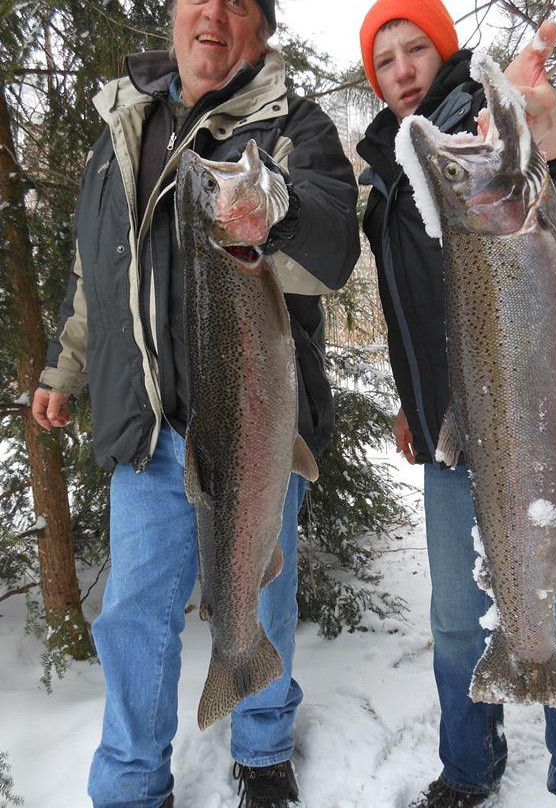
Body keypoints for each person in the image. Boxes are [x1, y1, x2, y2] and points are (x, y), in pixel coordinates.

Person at [31, 1, 360, 806]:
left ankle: (263, 742)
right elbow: (92, 273)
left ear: (262, 30)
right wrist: (63, 371)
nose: (212, 12)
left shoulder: (296, 128)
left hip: (251, 422)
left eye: (238, 1)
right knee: (135, 612)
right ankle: (134, 781)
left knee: (262, 587)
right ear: (174, 17)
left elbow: (334, 252)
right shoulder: (121, 128)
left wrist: (273, 212)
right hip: (148, 425)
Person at [356, 1, 556, 807]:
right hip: (453, 433)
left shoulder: (476, 126)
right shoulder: (386, 165)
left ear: (442, 51)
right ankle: (468, 764)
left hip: (538, 424)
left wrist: (546, 119)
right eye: (386, 59)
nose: (403, 69)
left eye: (415, 50)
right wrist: (414, 400)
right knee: (452, 618)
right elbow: (410, 302)